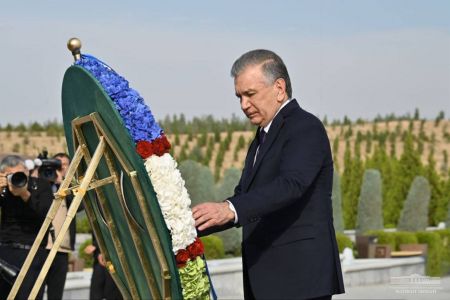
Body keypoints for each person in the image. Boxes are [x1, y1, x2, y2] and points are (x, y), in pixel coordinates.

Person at [192, 49, 345, 299]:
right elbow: (243, 197)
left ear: (279, 88)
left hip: (298, 281)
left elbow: (291, 185)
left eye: (250, 94)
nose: (243, 105)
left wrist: (229, 208)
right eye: (239, 97)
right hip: (265, 281)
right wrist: (186, 225)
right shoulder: (261, 139)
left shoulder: (305, 127)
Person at [0, 155, 53, 299]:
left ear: (27, 171)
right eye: (12, 175)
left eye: (21, 173)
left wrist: (25, 195)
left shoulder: (41, 186)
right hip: (5, 252)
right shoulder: (4, 189)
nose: (17, 178)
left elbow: (46, 214)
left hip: (32, 251)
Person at [43, 152, 77, 300]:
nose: (61, 167)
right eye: (58, 164)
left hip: (61, 249)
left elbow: (78, 206)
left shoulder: (71, 187)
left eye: (65, 165)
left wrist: (63, 183)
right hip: (41, 248)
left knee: (56, 295)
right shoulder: (42, 183)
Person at [85, 234, 122, 300]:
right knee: (96, 291)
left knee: (113, 291)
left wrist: (96, 246)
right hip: (101, 262)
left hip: (114, 261)